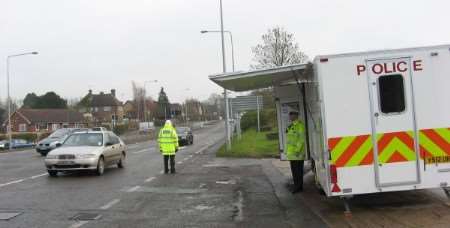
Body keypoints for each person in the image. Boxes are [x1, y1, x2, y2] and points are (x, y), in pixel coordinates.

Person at [286, 111, 306, 193]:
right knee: (294, 171)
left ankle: (298, 187)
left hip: (297, 154)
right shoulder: (291, 126)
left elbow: (301, 140)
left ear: (296, 116)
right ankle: (297, 186)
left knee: (298, 171)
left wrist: (297, 150)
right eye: (289, 115)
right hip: (292, 154)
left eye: (291, 115)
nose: (290, 117)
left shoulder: (300, 126)